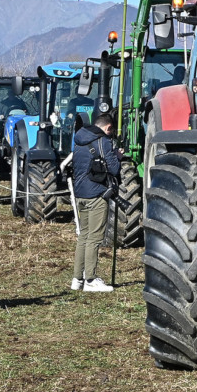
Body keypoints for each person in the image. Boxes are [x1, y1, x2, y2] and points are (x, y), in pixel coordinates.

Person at [69, 113, 121, 293]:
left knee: (83, 236)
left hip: (80, 194)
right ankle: (90, 279)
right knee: (95, 237)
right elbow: (114, 169)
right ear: (108, 127)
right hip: (97, 195)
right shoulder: (103, 142)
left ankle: (77, 279)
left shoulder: (78, 141)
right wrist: (117, 156)